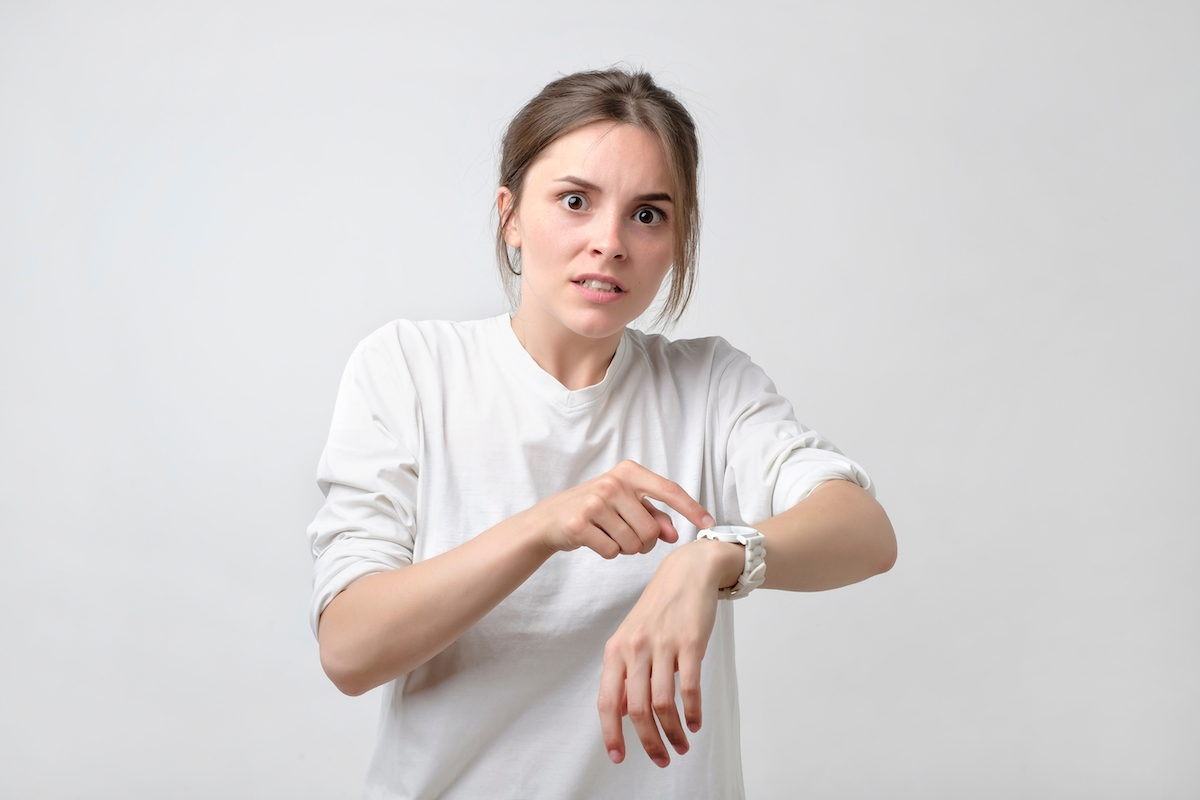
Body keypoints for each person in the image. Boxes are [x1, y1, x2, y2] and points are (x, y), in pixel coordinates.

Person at [307, 68, 896, 800]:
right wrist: (544, 526)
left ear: (678, 238)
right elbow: (350, 649)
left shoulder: (709, 384)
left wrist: (713, 555)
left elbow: (865, 531)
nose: (609, 243)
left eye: (647, 214)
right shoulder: (410, 367)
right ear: (510, 215)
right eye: (575, 201)